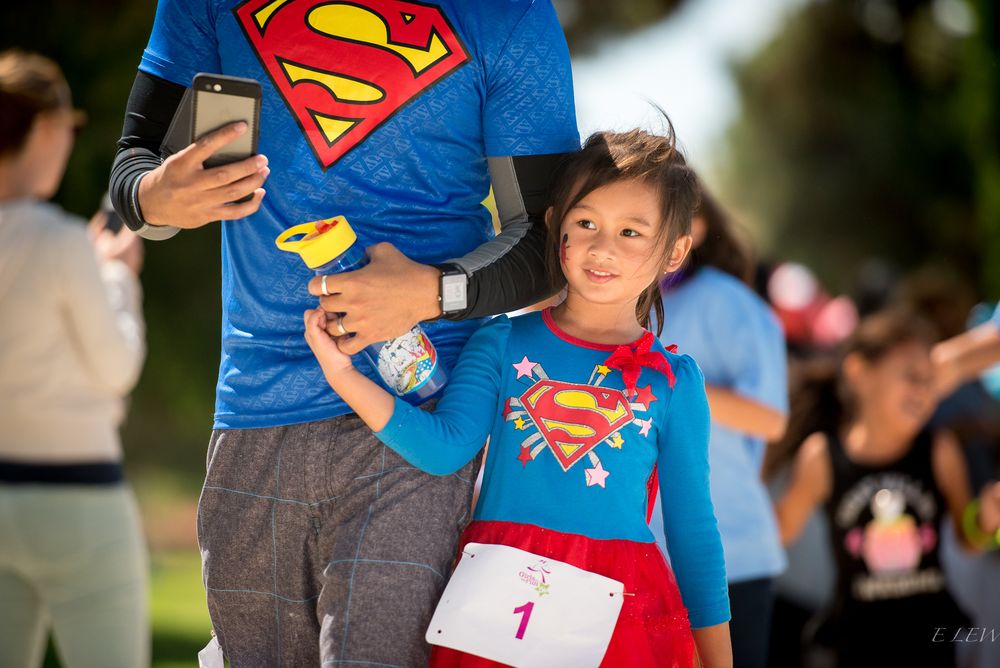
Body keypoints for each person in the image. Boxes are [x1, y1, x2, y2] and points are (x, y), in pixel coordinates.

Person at [108, 1, 579, 664]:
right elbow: (134, 166)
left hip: (418, 412)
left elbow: (549, 240)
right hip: (253, 409)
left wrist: (431, 291)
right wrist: (154, 198)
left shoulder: (509, 11)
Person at [305, 127, 734, 667]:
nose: (603, 247)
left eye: (631, 232)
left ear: (674, 252)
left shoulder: (674, 380)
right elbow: (446, 448)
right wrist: (343, 375)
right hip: (496, 601)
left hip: (620, 611)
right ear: (555, 225)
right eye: (586, 223)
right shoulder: (501, 340)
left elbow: (694, 529)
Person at [0, 50, 148, 668]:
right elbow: (117, 368)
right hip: (81, 501)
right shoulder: (61, 242)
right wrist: (115, 278)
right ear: (45, 128)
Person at [774, 308, 1000, 668]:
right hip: (855, 646)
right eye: (911, 375)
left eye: (930, 379)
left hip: (932, 644)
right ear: (859, 373)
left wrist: (987, 521)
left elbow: (967, 539)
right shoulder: (821, 456)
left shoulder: (939, 450)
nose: (924, 390)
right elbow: (774, 534)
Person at [645, 187, 788, 668]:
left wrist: (672, 384)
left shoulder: (730, 303)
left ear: (694, 232)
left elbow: (771, 418)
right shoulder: (624, 302)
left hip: (730, 555)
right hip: (643, 559)